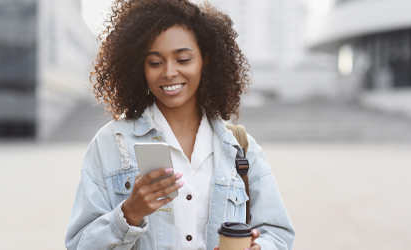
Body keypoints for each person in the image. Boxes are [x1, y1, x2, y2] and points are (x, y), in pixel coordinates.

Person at [65, 0, 295, 249]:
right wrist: (129, 213)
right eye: (155, 62)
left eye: (183, 59)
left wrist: (258, 248)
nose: (169, 72)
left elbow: (278, 234)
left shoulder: (240, 147)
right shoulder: (110, 144)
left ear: (205, 60)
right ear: (139, 67)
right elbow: (79, 244)